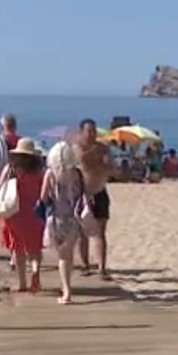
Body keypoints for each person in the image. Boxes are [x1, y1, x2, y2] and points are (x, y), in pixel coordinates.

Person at [0, 139, 47, 293]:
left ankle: (22, 283)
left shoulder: (11, 169)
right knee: (35, 248)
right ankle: (36, 272)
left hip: (15, 214)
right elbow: (45, 192)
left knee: (18, 249)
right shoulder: (40, 172)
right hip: (35, 214)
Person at [41, 142, 85, 305]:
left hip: (56, 218)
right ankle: (67, 287)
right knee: (69, 255)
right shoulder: (77, 174)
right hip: (73, 219)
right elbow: (82, 196)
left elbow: (43, 198)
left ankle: (66, 290)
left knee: (62, 257)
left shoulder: (50, 174)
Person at [74, 119, 112, 278]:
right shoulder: (77, 147)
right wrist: (96, 154)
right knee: (82, 232)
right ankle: (85, 265)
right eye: (88, 131)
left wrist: (102, 159)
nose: (92, 134)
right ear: (81, 132)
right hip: (83, 194)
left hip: (100, 191)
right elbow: (83, 160)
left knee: (100, 232)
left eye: (94, 131)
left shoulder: (102, 148)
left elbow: (110, 168)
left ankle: (102, 268)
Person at [0, 115, 22, 255]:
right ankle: (16, 250)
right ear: (15, 126)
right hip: (18, 181)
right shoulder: (20, 141)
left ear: (3, 126)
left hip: (2, 182)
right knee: (18, 216)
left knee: (4, 216)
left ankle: (12, 248)